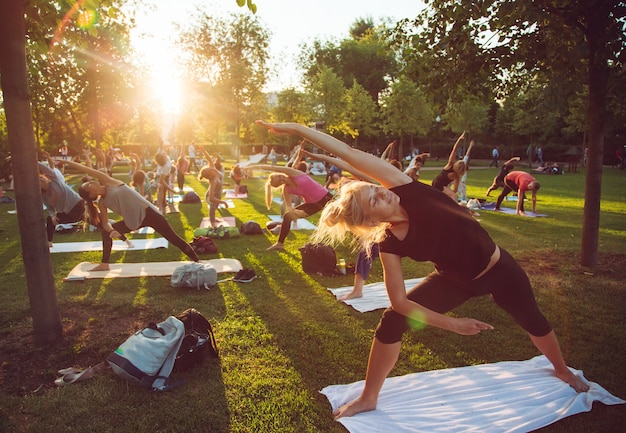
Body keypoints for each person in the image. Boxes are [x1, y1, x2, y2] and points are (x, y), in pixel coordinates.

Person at [255, 120, 589, 420]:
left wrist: (297, 129)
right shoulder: (389, 243)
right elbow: (400, 302)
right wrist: (451, 324)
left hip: (499, 268)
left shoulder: (404, 187)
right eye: (375, 200)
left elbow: (346, 150)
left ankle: (560, 369)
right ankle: (369, 397)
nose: (383, 192)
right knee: (390, 322)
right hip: (456, 280)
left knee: (533, 319)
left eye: (376, 188)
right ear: (372, 220)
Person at [56, 159, 199, 271]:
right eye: (88, 185)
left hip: (149, 213)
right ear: (91, 194)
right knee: (105, 232)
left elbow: (88, 170)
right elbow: (105, 223)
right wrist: (112, 231)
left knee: (173, 237)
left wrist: (67, 163)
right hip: (133, 221)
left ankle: (197, 260)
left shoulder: (109, 182)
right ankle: (105, 264)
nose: (91, 181)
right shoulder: (102, 203)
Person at [251, 163, 333, 251]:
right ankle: (280, 244)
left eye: (279, 176)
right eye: (278, 180)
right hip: (313, 205)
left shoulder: (294, 173)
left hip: (326, 198)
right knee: (287, 216)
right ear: (279, 184)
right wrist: (296, 212)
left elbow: (273, 167)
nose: (281, 178)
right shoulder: (286, 189)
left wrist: (255, 167)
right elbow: (289, 206)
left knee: (340, 217)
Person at [431, 132, 469, 201]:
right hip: (439, 186)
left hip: (436, 182)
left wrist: (459, 139)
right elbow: (454, 191)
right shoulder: (456, 176)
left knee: (451, 195)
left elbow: (454, 150)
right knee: (454, 196)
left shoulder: (450, 164)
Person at [197, 152, 229, 227]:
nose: (212, 169)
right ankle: (213, 225)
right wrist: (223, 202)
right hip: (210, 197)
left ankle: (214, 219)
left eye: (210, 168)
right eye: (210, 171)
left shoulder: (214, 170)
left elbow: (209, 160)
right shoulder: (213, 181)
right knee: (213, 206)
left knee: (216, 206)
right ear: (209, 176)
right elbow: (211, 198)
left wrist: (203, 150)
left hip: (218, 195)